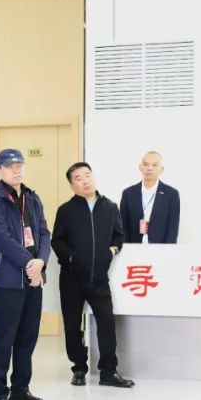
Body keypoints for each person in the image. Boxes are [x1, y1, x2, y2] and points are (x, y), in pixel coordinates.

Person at [52, 163, 135, 388]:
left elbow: (119, 235)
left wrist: (112, 251)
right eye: (78, 178)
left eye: (87, 175)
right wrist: (71, 258)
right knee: (72, 325)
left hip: (99, 278)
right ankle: (79, 368)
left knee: (107, 323)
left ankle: (108, 371)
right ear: (72, 185)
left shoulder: (110, 207)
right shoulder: (66, 210)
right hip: (71, 279)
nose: (85, 180)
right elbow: (57, 240)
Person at [0, 149, 51, 400]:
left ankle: (21, 388)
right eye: (10, 166)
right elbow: (2, 239)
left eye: (20, 165)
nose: (17, 170)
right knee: (4, 337)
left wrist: (41, 262)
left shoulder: (32, 197)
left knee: (28, 335)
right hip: (9, 278)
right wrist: (29, 263)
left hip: (34, 277)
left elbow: (44, 233)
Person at [119, 151, 180, 244]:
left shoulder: (171, 194)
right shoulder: (128, 193)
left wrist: (168, 250)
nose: (149, 168)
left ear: (162, 169)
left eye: (154, 165)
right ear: (140, 167)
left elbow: (172, 229)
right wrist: (126, 247)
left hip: (160, 248)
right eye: (146, 164)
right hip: (133, 247)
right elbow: (123, 226)